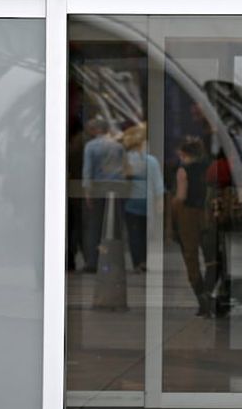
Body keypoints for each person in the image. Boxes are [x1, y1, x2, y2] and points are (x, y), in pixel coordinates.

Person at [172, 135, 213, 316]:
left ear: (183, 154)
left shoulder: (183, 171)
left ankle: (201, 296)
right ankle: (210, 291)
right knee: (210, 256)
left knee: (191, 256)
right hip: (207, 213)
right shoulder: (208, 168)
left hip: (188, 215)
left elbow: (181, 196)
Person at [81, 117, 126, 273]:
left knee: (94, 225)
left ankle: (93, 261)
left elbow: (88, 170)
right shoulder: (118, 146)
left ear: (96, 130)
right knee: (114, 226)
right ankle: (115, 260)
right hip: (116, 187)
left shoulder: (91, 146)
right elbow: (123, 168)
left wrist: (87, 192)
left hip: (98, 188)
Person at [122, 123, 164, 273]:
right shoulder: (151, 161)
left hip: (131, 202)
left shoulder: (125, 160)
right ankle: (144, 260)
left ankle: (137, 262)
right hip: (148, 202)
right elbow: (158, 183)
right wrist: (160, 202)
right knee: (146, 233)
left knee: (134, 234)